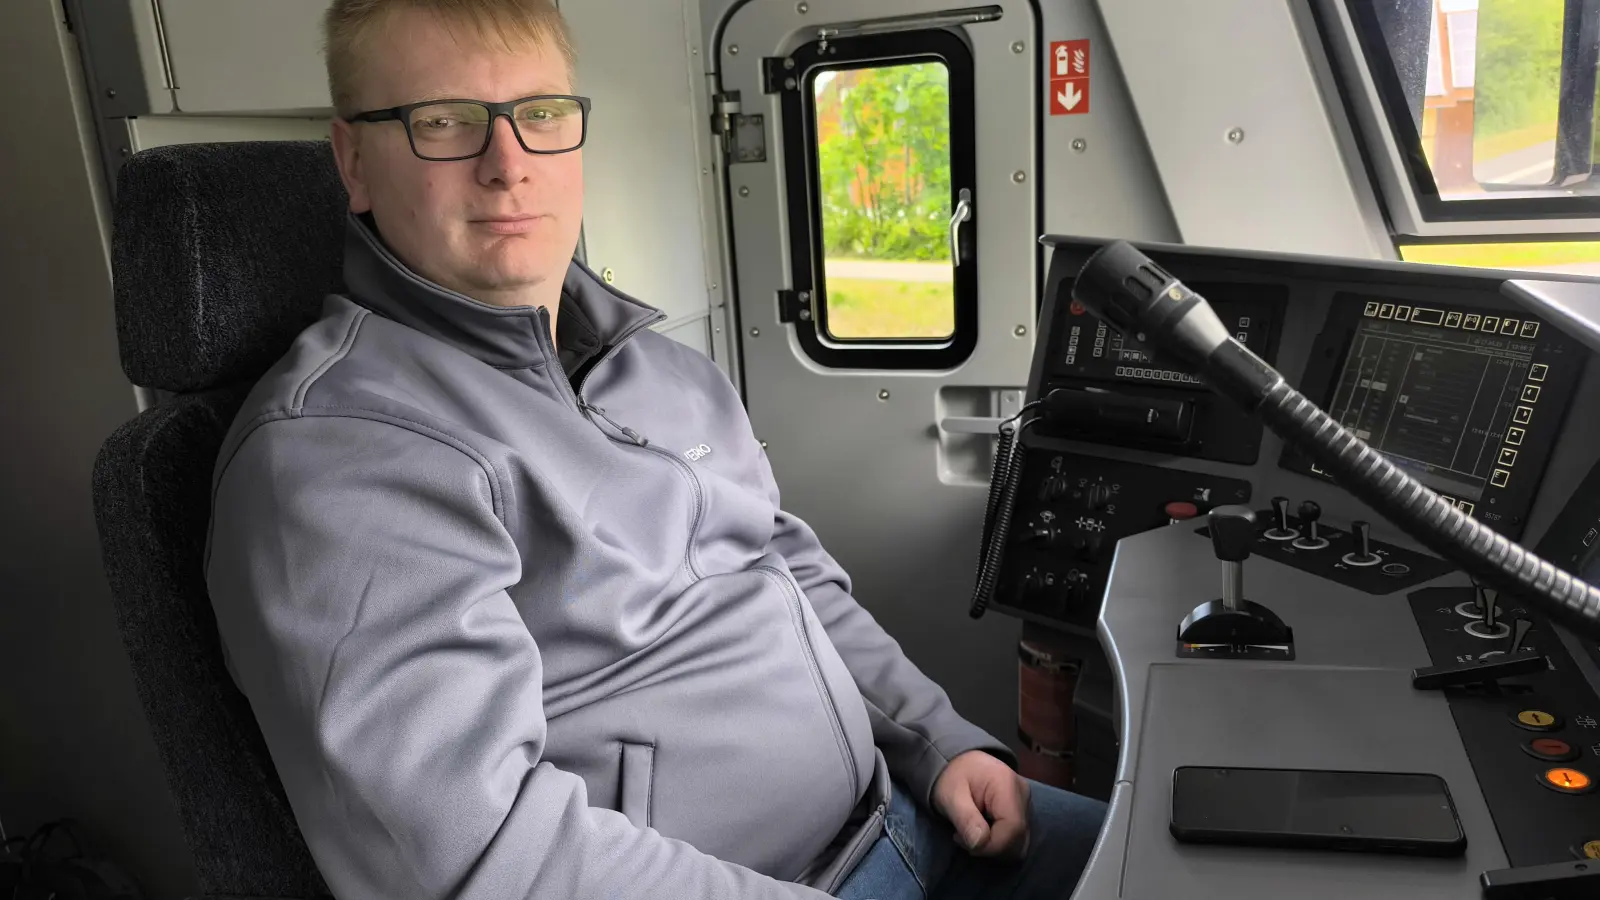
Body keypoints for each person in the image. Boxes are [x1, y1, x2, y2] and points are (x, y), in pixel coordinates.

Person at [203, 1, 1107, 898]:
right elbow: (484, 861)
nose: (508, 165)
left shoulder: (656, 364)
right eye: (444, 122)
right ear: (353, 160)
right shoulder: (337, 460)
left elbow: (786, 566)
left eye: (542, 115)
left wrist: (935, 739)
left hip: (909, 809)